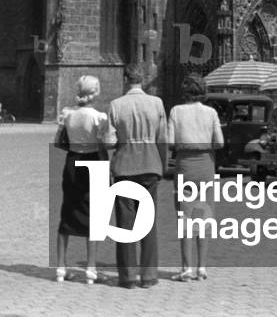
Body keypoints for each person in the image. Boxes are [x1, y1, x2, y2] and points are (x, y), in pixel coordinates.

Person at [104, 63, 167, 289]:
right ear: (142, 80)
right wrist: (162, 165)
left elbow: (110, 141)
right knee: (148, 223)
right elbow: (162, 139)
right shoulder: (156, 103)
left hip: (125, 167)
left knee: (125, 224)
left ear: (125, 79)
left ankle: (128, 277)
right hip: (150, 166)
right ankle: (149, 276)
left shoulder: (116, 105)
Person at [167, 74, 223, 282]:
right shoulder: (211, 113)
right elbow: (220, 143)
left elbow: (171, 142)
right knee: (204, 216)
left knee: (185, 218)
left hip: (185, 166)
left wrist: (186, 144)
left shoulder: (176, 111)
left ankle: (186, 268)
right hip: (206, 167)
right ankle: (202, 267)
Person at [55, 74, 108, 284]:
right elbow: (105, 144)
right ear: (94, 92)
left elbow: (59, 142)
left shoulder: (68, 115)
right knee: (94, 216)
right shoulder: (99, 117)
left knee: (67, 213)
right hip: (93, 161)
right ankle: (91, 268)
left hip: (72, 162)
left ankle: (60, 267)